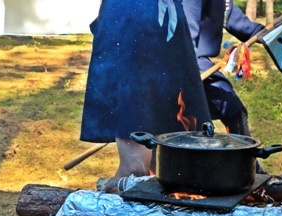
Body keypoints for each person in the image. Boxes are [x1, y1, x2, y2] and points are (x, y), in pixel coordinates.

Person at [80, 0, 212, 187]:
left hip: (134, 14)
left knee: (139, 168)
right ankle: (149, 180)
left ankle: (134, 177)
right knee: (158, 165)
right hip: (155, 15)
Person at [182, 0, 265, 137]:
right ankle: (244, 157)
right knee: (233, 111)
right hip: (185, 61)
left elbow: (230, 15)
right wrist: (187, 68)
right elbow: (186, 32)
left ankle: (244, 157)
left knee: (234, 113)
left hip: (193, 60)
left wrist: (260, 32)